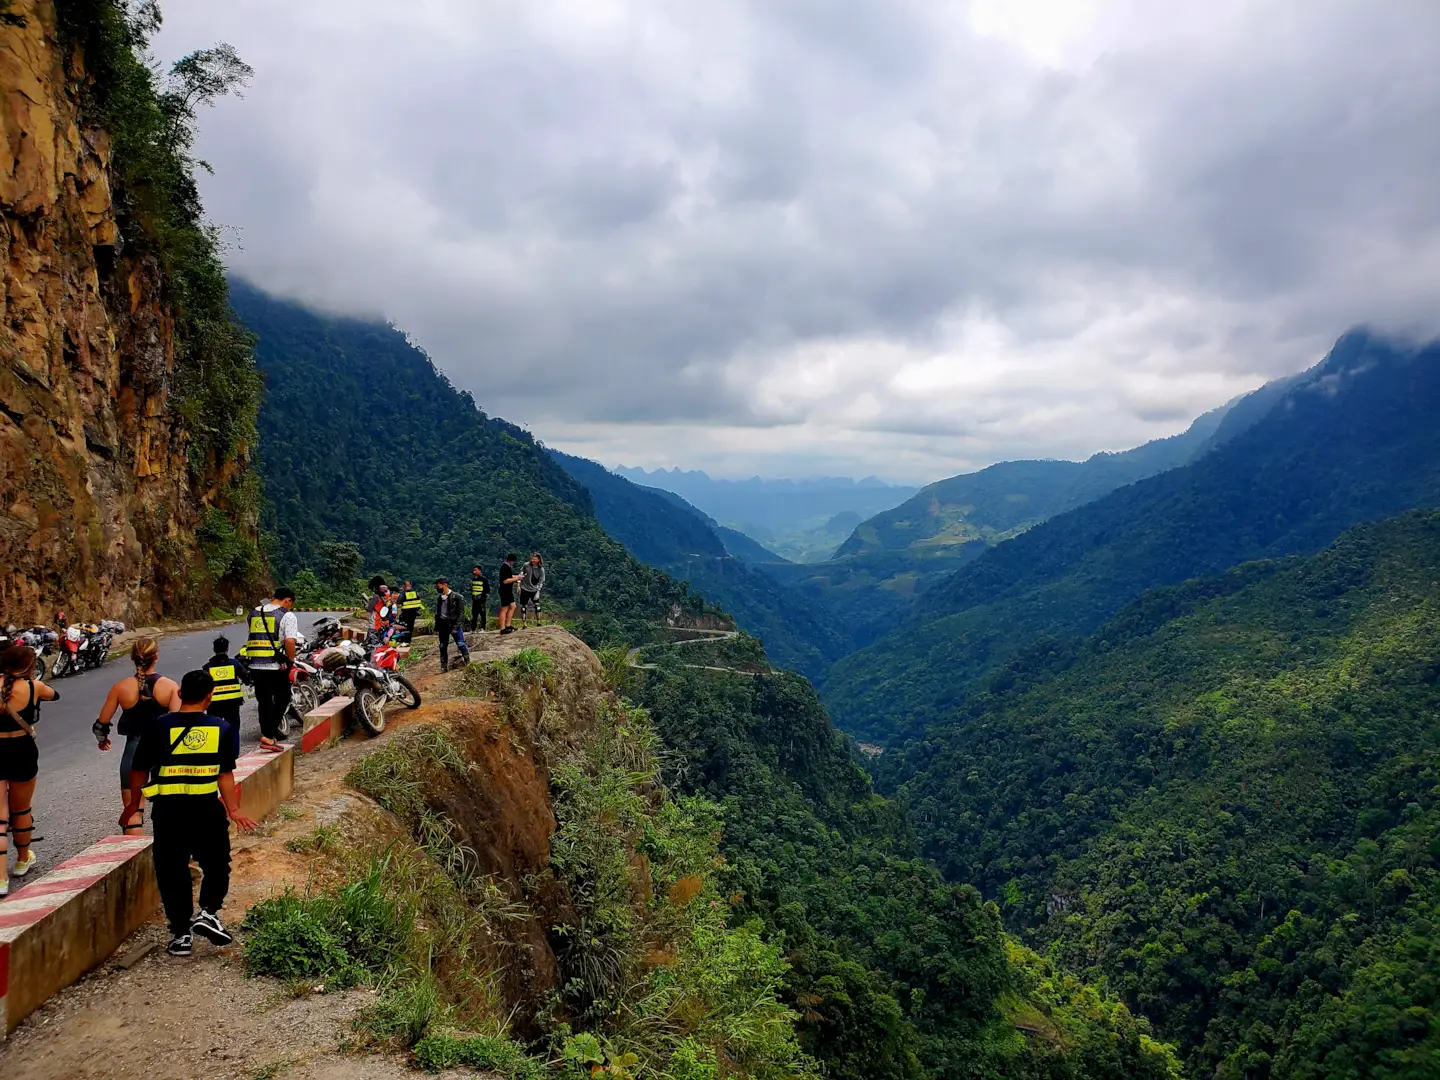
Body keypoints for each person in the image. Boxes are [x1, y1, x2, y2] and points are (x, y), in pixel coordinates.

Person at [121, 669, 258, 957]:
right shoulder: (221, 728)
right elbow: (225, 775)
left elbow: (138, 771)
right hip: (206, 811)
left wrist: (132, 807)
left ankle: (181, 933)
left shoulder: (159, 726)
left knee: (171, 871)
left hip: (168, 812)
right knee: (218, 864)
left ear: (180, 694)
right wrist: (233, 809)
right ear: (210, 698)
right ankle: (208, 911)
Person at [94, 638, 179, 836]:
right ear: (156, 656)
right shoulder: (170, 686)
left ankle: (136, 858)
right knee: (167, 812)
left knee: (133, 813)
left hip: (133, 752)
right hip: (163, 754)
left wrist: (102, 741)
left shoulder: (120, 687)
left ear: (132, 658)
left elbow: (101, 724)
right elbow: (176, 725)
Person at [1, 645, 57, 894]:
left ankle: (0, 878)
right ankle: (23, 859)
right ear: (29, 666)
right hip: (22, 750)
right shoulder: (34, 687)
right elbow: (54, 695)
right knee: (21, 808)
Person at [242, 586, 298, 753]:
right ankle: (268, 734)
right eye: (290, 604)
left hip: (254, 665)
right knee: (283, 698)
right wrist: (291, 659)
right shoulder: (287, 615)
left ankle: (268, 736)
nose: (289, 607)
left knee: (264, 701)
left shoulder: (253, 613)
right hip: (275, 665)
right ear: (287, 600)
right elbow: (289, 641)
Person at [203, 635, 245, 762]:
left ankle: (215, 755)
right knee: (233, 729)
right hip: (232, 704)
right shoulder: (234, 664)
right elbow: (246, 677)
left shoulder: (207, 667)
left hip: (214, 705)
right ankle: (233, 756)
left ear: (214, 649)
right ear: (227, 649)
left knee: (214, 729)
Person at [433, 577, 471, 672]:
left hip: (453, 624)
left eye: (439, 586)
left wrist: (456, 626)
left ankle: (467, 661)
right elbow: (438, 613)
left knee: (460, 643)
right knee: (442, 646)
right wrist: (437, 626)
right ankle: (443, 666)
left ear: (445, 585)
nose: (438, 588)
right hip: (443, 625)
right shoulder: (439, 598)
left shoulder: (457, 597)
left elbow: (461, 613)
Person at [518, 553, 545, 628]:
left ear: (538, 560)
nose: (533, 560)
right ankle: (524, 624)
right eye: (532, 558)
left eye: (535, 559)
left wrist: (538, 591)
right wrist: (518, 584)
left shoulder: (541, 569)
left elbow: (541, 581)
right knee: (524, 606)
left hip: (534, 589)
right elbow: (521, 573)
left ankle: (538, 622)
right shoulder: (526, 565)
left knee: (537, 605)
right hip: (525, 588)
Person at [497, 554, 521, 635]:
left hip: (508, 591)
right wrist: (517, 578)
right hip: (504, 591)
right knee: (504, 609)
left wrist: (517, 576)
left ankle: (508, 625)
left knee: (513, 606)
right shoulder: (505, 568)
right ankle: (502, 628)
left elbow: (510, 576)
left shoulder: (507, 567)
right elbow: (505, 580)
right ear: (511, 561)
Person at [469, 565, 489, 633]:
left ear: (480, 571)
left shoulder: (484, 579)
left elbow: (487, 590)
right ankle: (473, 629)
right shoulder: (473, 579)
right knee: (474, 615)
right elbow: (472, 589)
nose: (474, 572)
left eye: (476, 570)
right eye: (473, 570)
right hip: (474, 600)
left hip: (481, 600)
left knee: (482, 614)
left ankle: (483, 628)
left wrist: (482, 596)